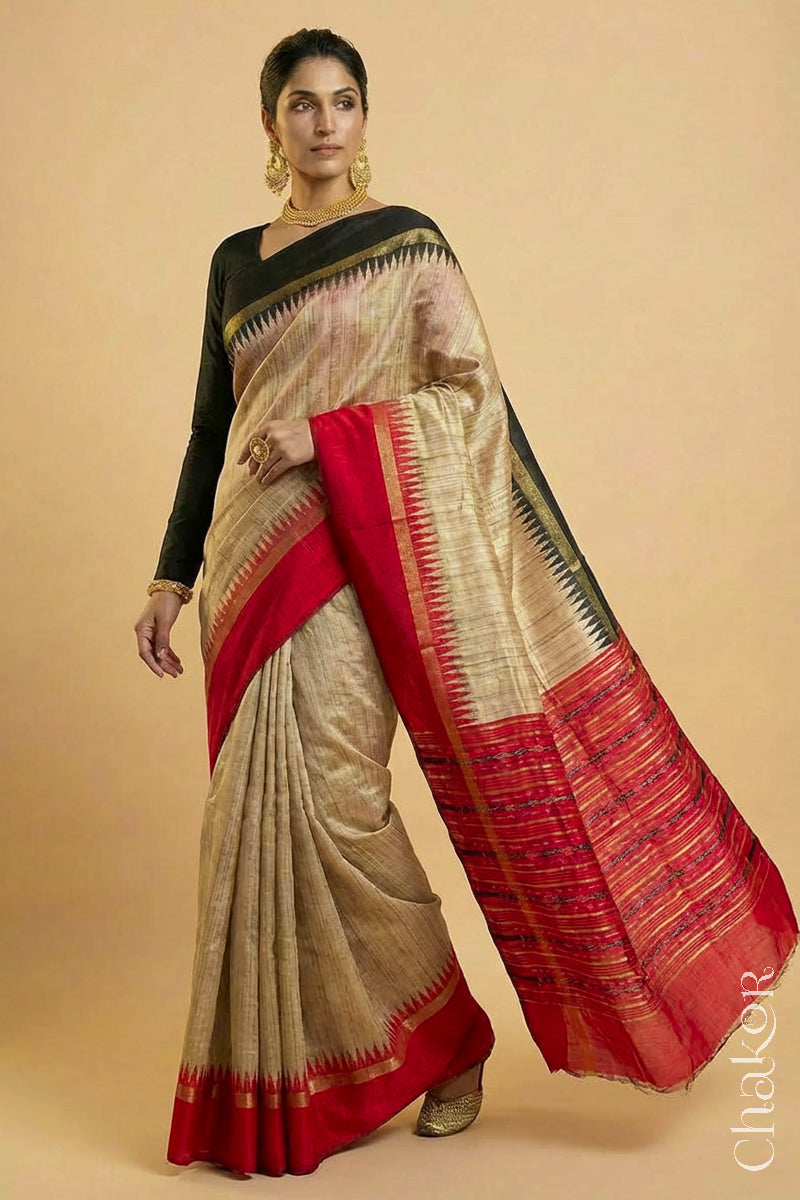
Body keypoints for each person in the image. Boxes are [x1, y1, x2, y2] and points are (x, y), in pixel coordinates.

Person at [133, 27, 798, 1181]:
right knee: (250, 822)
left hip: (347, 558)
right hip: (246, 567)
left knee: (337, 807)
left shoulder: (408, 249)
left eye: (344, 102)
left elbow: (468, 402)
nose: (325, 123)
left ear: (366, 119)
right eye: (302, 104)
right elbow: (208, 429)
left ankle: (446, 1041)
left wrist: (324, 440)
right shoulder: (234, 262)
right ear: (269, 125)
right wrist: (169, 574)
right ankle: (307, 1071)